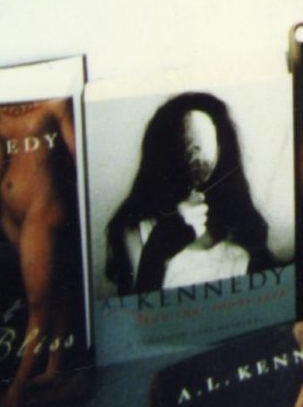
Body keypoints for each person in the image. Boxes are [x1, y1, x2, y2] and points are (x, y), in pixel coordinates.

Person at [0, 95, 81, 407]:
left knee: (37, 303)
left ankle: (17, 387)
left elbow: (79, 156)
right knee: (55, 291)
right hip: (9, 213)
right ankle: (53, 369)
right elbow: (0, 170)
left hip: (44, 208)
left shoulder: (54, 103)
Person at [104, 91, 275, 295]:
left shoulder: (242, 229)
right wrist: (156, 255)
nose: (191, 157)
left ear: (221, 148)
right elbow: (136, 319)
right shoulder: (135, 230)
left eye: (199, 146)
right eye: (183, 145)